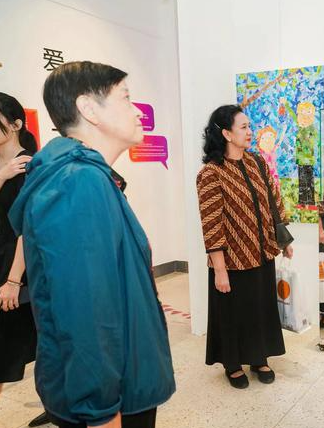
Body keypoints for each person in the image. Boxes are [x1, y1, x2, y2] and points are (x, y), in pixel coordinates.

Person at [8, 61, 176, 428]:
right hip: (108, 401)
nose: (137, 111)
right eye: (125, 98)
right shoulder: (77, 183)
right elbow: (85, 310)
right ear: (88, 108)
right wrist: (101, 412)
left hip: (124, 379)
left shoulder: (87, 176)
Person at [197, 104, 294, 389]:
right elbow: (211, 223)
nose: (250, 132)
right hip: (232, 259)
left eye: (249, 126)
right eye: (243, 127)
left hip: (262, 252)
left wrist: (283, 241)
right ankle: (232, 364)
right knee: (233, 314)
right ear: (227, 134)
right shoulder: (211, 173)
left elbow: (273, 202)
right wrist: (219, 270)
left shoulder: (257, 163)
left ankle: (259, 358)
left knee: (260, 309)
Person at [0, 93, 51, 428]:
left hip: (16, 268)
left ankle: (59, 405)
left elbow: (26, 230)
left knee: (44, 345)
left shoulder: (29, 165)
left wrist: (12, 280)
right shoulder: (7, 168)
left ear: (16, 124)